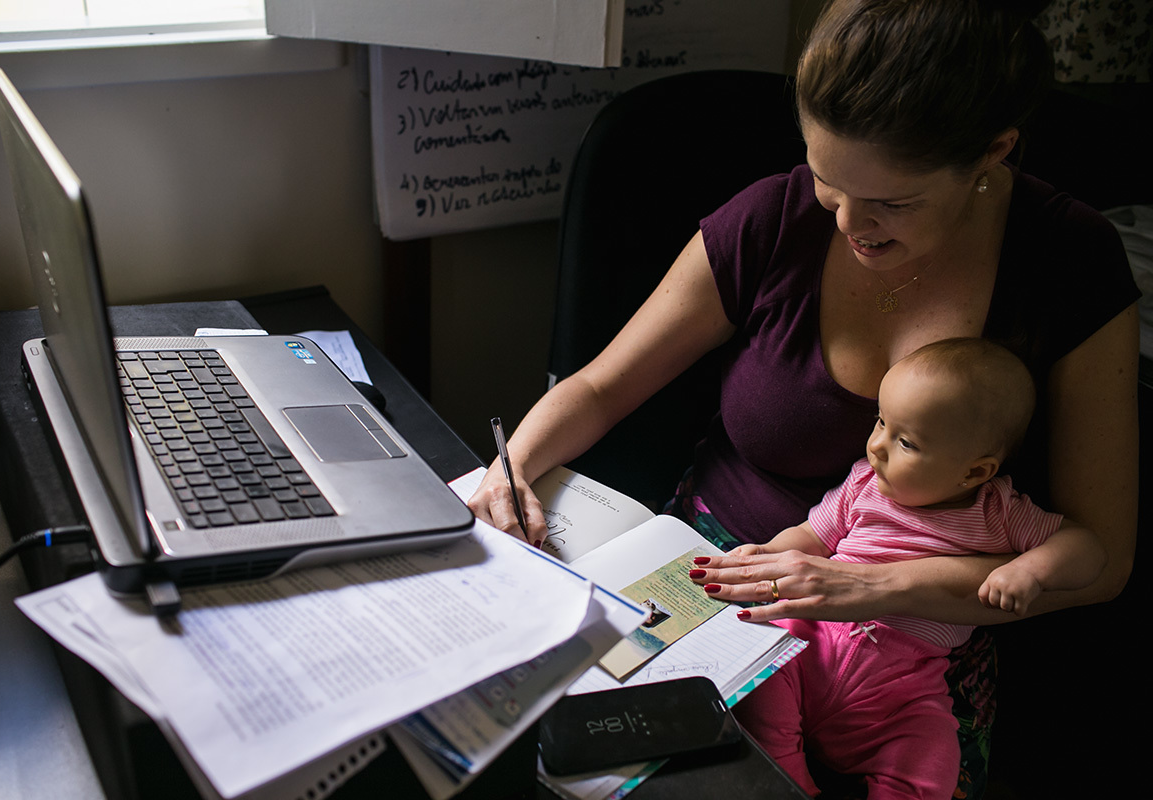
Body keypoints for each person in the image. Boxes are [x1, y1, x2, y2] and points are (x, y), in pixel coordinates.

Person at [469, 0, 1139, 795]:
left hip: (920, 642)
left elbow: (1102, 565)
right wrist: (511, 467)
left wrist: (868, 586)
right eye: (829, 183)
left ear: (993, 152)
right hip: (722, 577)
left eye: (894, 202)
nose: (851, 224)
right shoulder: (774, 217)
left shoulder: (1069, 260)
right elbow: (599, 385)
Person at [715, 338, 1105, 798]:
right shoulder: (864, 483)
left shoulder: (997, 512)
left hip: (901, 685)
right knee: (759, 664)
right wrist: (766, 554)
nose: (876, 446)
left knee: (934, 756)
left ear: (974, 473)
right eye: (881, 421)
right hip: (813, 639)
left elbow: (1088, 548)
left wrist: (1031, 571)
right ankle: (786, 780)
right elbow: (811, 536)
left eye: (906, 442)